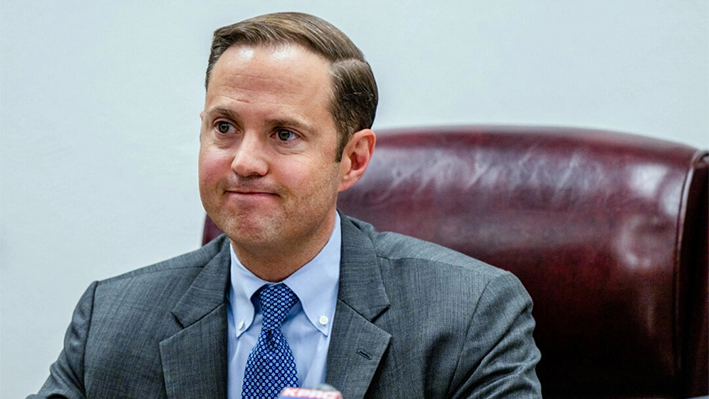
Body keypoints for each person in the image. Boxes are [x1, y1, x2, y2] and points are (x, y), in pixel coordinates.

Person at [29, 12, 541, 399]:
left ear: (353, 159)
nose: (245, 162)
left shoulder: (471, 314)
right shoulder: (110, 320)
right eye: (225, 128)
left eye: (284, 134)